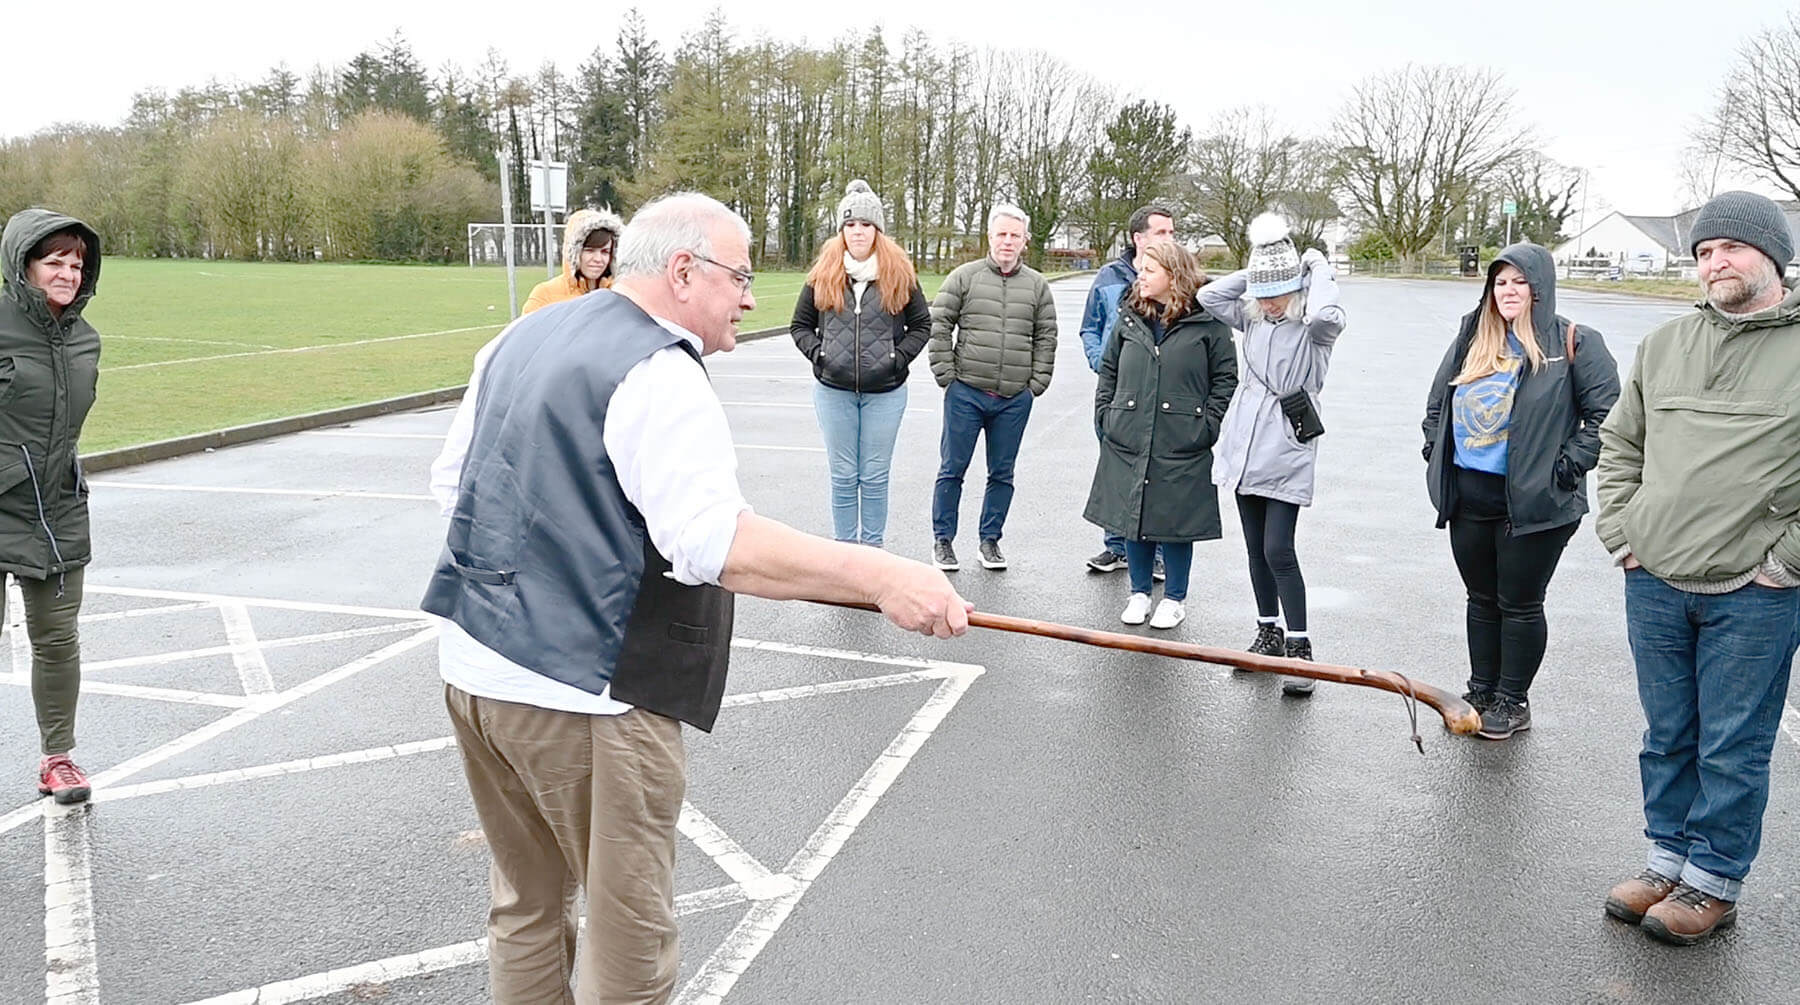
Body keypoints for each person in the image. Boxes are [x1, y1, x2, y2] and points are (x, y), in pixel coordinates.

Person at [424, 192, 969, 1003]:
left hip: (474, 674)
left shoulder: (522, 333)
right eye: (739, 276)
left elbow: (450, 486)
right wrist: (884, 575)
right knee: (629, 942)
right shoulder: (659, 370)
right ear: (683, 270)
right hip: (587, 700)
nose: (751, 297)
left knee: (526, 909)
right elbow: (718, 543)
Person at [1595, 191, 1800, 947]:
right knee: (1669, 732)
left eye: (1732, 249)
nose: (1716, 262)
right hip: (1655, 577)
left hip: (1755, 589)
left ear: (1772, 257)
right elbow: (1621, 447)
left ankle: (1712, 881)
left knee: (1733, 741)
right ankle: (1665, 860)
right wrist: (1622, 533)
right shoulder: (1666, 344)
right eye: (1704, 251)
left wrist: (1786, 562)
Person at [1421, 243, 1620, 740]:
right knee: (1480, 599)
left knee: (1520, 603)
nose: (1508, 291)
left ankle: (1513, 700)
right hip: (1469, 497)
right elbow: (1436, 407)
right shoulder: (1474, 336)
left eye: (1519, 282)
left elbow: (1607, 417)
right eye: (1500, 282)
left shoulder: (1574, 341)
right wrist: (1435, 452)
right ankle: (1482, 690)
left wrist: (1566, 466)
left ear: (1539, 288)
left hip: (1535, 503)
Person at [1200, 213, 1344, 696]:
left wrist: (1313, 270)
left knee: (1279, 549)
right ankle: (1268, 633)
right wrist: (1258, 270)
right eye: (1263, 291)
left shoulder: (1311, 329)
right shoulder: (1252, 317)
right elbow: (1209, 295)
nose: (1269, 300)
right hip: (1244, 443)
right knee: (1255, 549)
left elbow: (1328, 315)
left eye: (1277, 290)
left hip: (1285, 443)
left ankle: (1300, 648)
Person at [0, 209, 103, 805]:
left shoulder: (85, 338)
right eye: (53, 261)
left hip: (56, 507)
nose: (66, 272)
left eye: (75, 262)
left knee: (58, 640)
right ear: (24, 266)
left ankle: (58, 759)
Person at [1085, 240, 1237, 629]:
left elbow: (1225, 378)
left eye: (1149, 271)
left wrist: (1208, 424)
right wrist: (1106, 414)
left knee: (1175, 520)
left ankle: (1174, 598)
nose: (1141, 276)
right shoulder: (1130, 315)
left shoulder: (1208, 320)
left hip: (1182, 435)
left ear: (1174, 275)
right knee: (1132, 513)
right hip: (1128, 432)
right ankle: (1138, 592)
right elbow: (1110, 370)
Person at [789, 180, 931, 547]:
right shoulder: (823, 273)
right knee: (842, 475)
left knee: (874, 475)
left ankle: (872, 552)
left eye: (865, 225)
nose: (857, 232)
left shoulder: (900, 273)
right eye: (850, 225)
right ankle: (845, 554)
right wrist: (820, 355)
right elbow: (800, 325)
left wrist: (897, 359)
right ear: (841, 230)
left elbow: (922, 325)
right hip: (833, 391)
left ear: (877, 230)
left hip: (885, 392)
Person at [927, 204, 1057, 572]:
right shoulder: (963, 278)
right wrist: (946, 375)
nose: (1007, 241)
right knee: (953, 468)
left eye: (1015, 235)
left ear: (1025, 241)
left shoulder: (1037, 285)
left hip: (1014, 397)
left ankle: (990, 540)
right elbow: (939, 325)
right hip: (966, 391)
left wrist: (1036, 383)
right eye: (1001, 234)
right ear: (989, 237)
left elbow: (1047, 335)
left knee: (1002, 473)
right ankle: (943, 540)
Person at [1080, 205, 1176, 577]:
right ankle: (1116, 547)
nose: (1169, 238)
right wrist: (1099, 361)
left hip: (1156, 391)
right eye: (1161, 232)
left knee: (1157, 469)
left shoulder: (1175, 279)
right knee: (1116, 467)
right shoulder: (1108, 277)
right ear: (1139, 238)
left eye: (1171, 232)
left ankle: (1160, 556)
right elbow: (1091, 326)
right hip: (1115, 389)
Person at [521, 207, 624, 315]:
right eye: (589, 251)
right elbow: (527, 331)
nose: (598, 259)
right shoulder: (545, 294)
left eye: (605, 252)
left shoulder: (620, 294)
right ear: (573, 252)